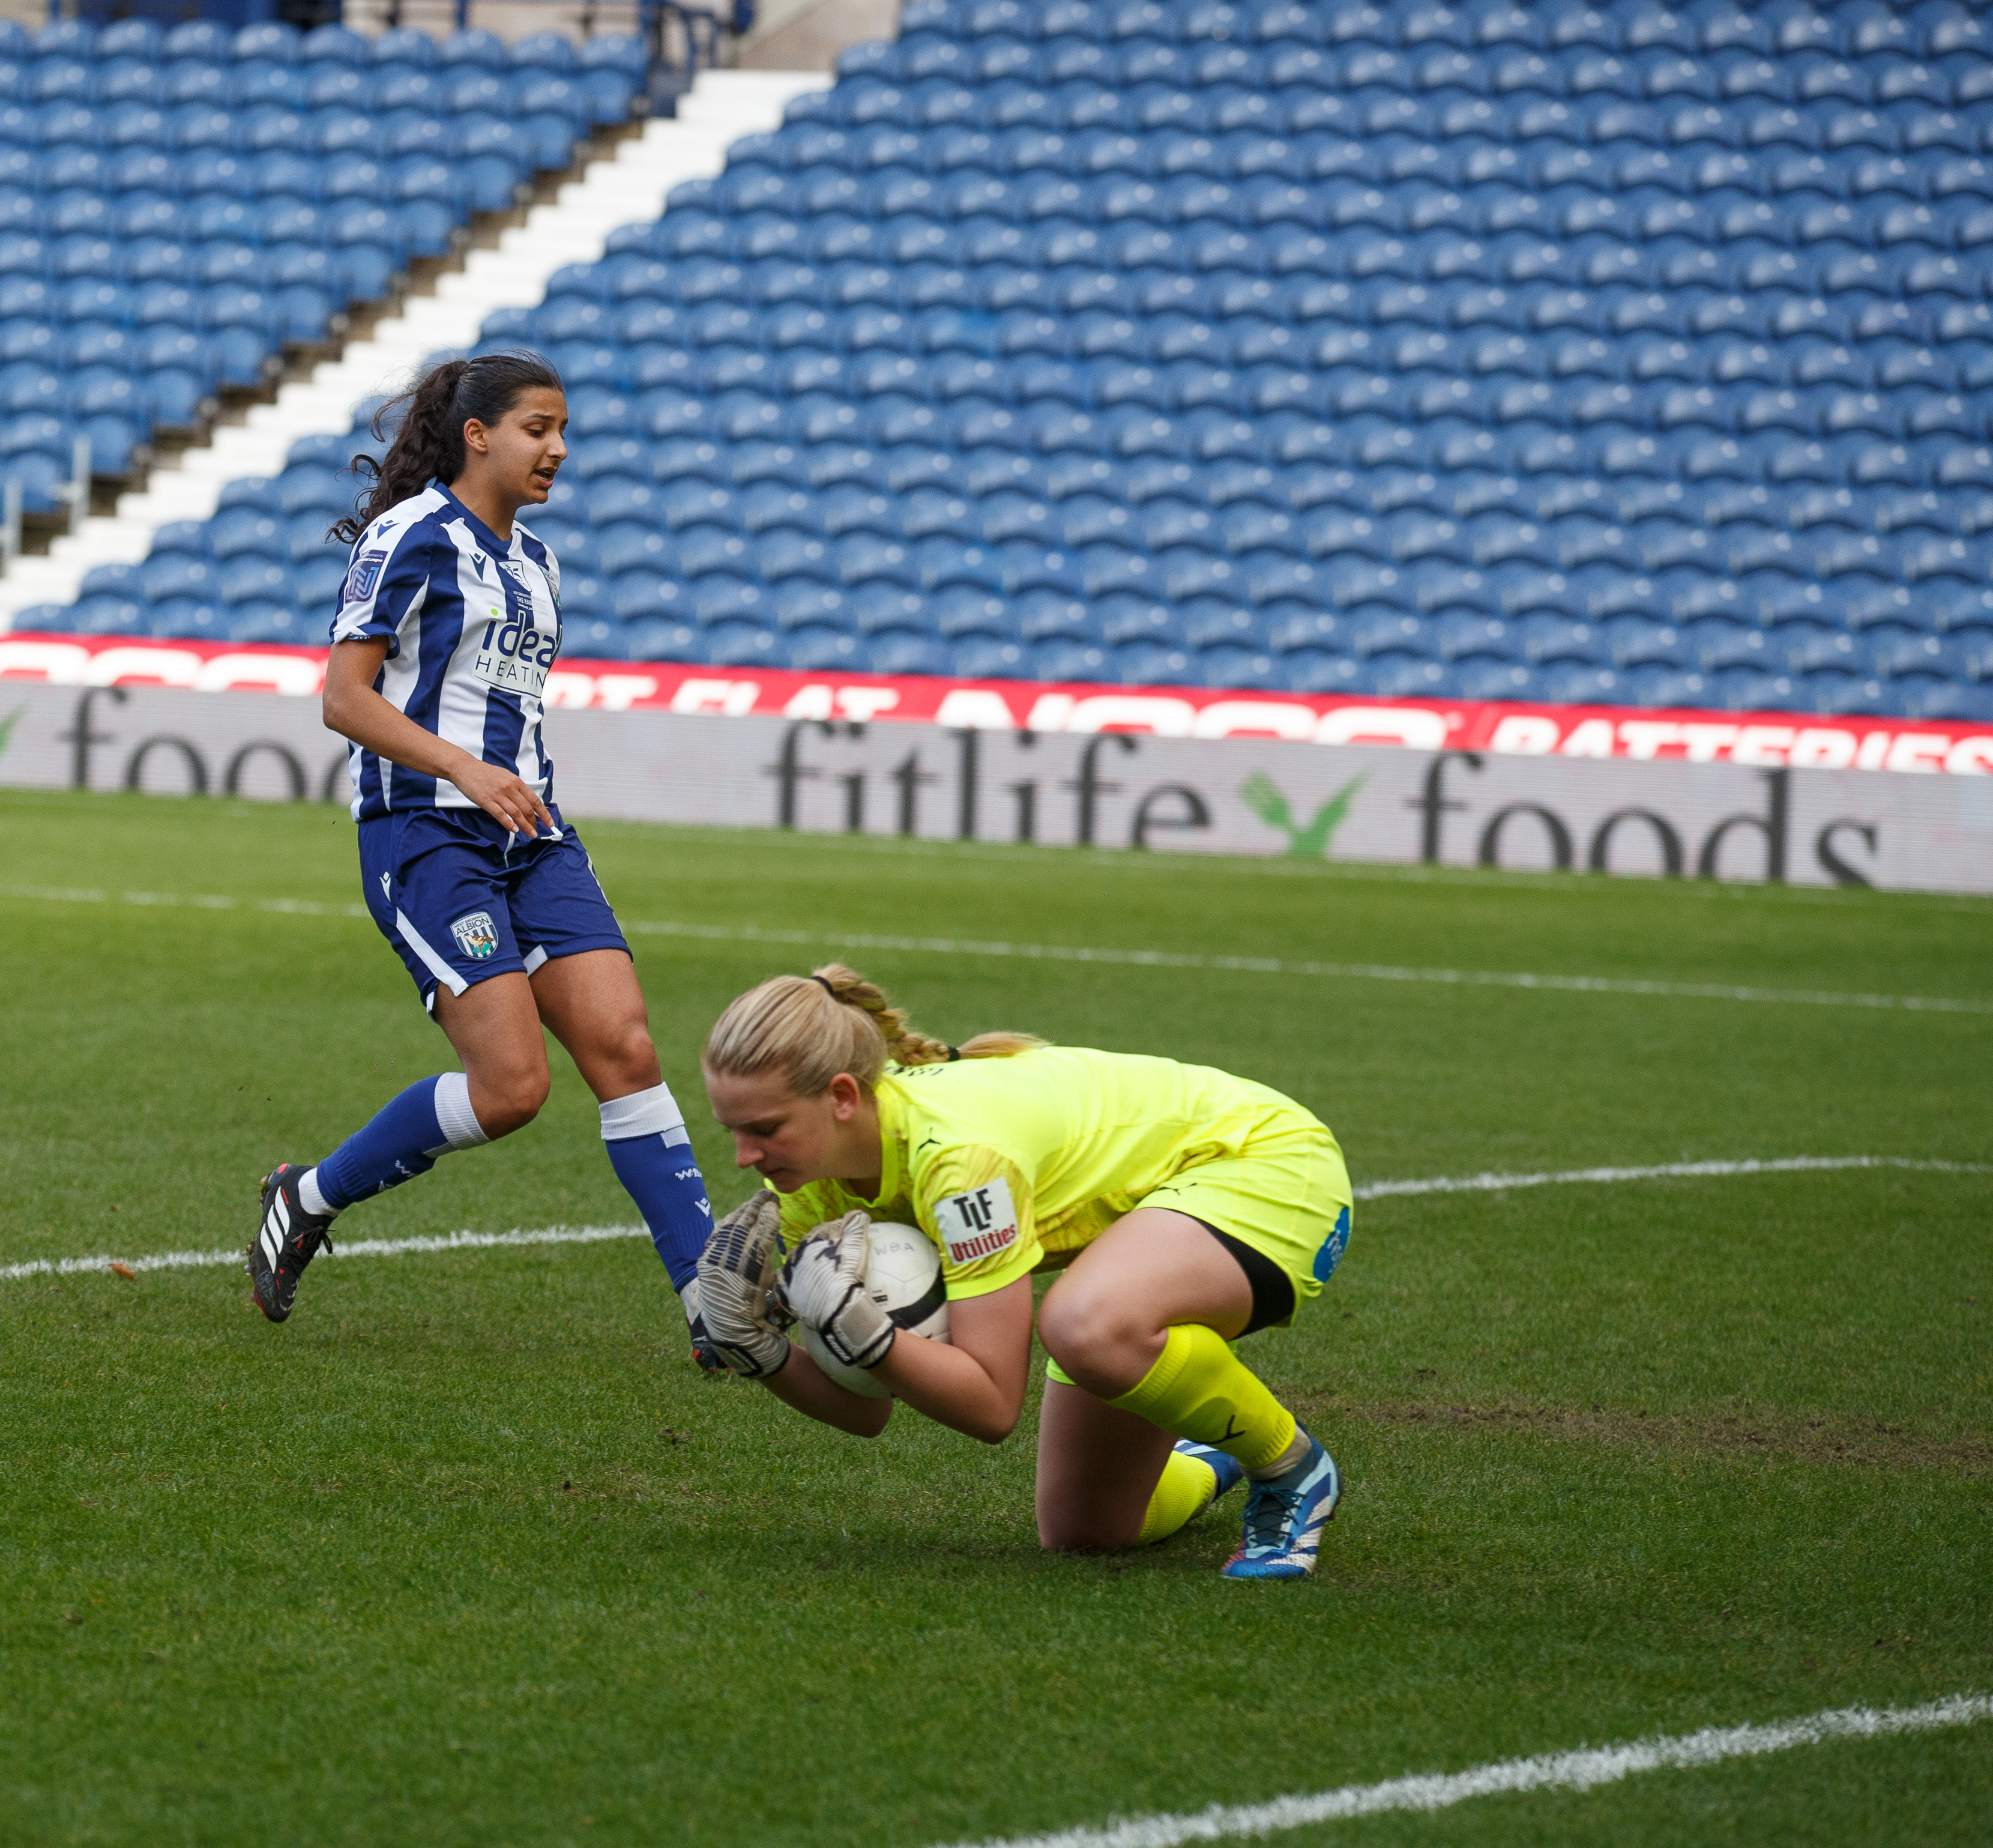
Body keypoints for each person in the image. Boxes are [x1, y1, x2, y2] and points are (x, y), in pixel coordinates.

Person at [245, 352, 718, 1360]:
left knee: (627, 1050)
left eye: (560, 431)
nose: (556, 449)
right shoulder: (409, 534)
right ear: (477, 434)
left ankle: (709, 1300)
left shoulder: (538, 562)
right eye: (536, 428)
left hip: (530, 833)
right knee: (511, 1089)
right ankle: (309, 1195)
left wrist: (503, 780)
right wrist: (463, 768)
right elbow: (344, 698)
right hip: (425, 833)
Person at [689, 967, 1354, 1578]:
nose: (746, 1156)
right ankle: (1214, 1444)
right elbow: (866, 1407)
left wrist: (865, 1331)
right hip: (1145, 1216)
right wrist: (760, 1351)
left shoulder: (960, 1161)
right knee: (1085, 1530)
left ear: (840, 1096)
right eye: (732, 1132)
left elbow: (991, 1403)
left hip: (1266, 1163)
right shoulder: (812, 1183)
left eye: (765, 1128)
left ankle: (1290, 1466)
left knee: (1085, 1323)